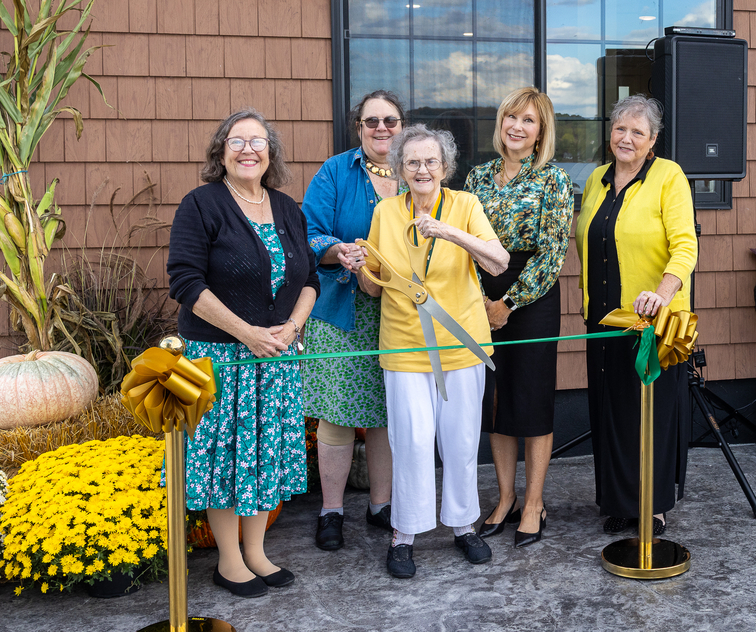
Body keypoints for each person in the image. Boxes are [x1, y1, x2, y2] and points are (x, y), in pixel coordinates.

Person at [167, 109, 319, 598]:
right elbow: (186, 282)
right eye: (237, 141)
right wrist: (247, 333)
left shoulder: (287, 207)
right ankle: (229, 560)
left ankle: (256, 551)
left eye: (258, 141)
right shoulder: (202, 204)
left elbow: (311, 279)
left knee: (264, 455)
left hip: (277, 358)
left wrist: (292, 328)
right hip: (222, 358)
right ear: (221, 152)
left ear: (270, 152)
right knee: (227, 457)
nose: (248, 149)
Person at [352, 124, 509, 578]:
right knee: (413, 441)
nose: (422, 169)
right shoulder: (385, 212)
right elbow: (374, 287)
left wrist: (449, 232)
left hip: (461, 342)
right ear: (400, 168)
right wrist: (362, 268)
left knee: (460, 441)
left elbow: (497, 262)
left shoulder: (466, 205)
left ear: (445, 167)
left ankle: (463, 525)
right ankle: (405, 533)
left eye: (431, 161)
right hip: (404, 344)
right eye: (413, 162)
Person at [576, 94, 697, 537]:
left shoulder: (669, 177)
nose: (626, 138)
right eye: (620, 129)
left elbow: (686, 245)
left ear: (653, 140)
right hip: (604, 320)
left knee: (652, 412)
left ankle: (654, 504)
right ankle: (620, 501)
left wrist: (663, 294)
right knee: (611, 410)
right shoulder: (596, 180)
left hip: (652, 321)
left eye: (637, 132)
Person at [463, 87, 573, 548]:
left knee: (531, 400)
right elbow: (464, 242)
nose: (517, 127)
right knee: (496, 400)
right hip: (479, 296)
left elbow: (552, 254)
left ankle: (534, 503)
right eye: (511, 117)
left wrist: (508, 303)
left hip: (531, 298)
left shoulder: (554, 180)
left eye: (529, 120)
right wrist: (481, 301)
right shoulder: (477, 177)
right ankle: (505, 498)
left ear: (540, 131)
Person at [301, 91, 405, 551]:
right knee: (338, 416)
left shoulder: (417, 168)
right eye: (371, 122)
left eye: (390, 120)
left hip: (400, 312)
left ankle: (381, 506)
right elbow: (308, 232)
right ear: (357, 127)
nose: (382, 129)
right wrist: (336, 249)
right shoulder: (335, 171)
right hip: (342, 310)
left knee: (387, 412)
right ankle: (332, 510)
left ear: (402, 125)